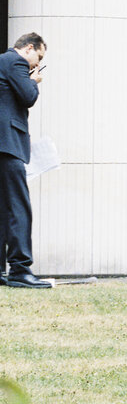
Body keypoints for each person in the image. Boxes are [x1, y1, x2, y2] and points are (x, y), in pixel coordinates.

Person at [0, 33, 50, 289]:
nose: (36, 64)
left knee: (2, 208)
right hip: (8, 144)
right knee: (18, 206)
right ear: (29, 48)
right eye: (38, 57)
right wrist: (35, 81)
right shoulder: (15, 61)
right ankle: (20, 269)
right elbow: (27, 96)